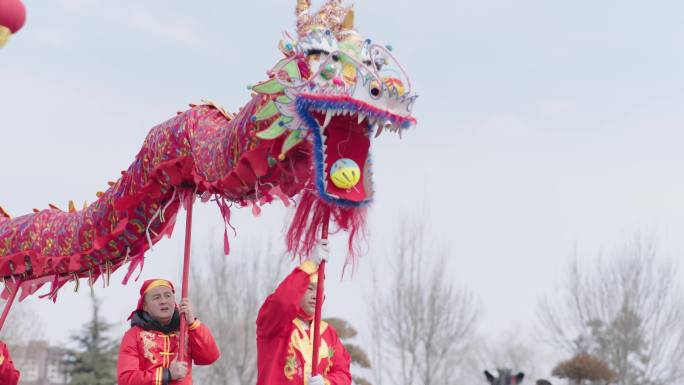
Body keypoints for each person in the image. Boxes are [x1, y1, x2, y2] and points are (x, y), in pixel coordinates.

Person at [256, 240, 351, 385]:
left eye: (319, 290)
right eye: (310, 288)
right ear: (299, 288)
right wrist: (309, 265)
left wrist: (327, 383)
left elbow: (344, 374)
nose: (316, 295)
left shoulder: (329, 333)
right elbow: (282, 301)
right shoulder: (276, 324)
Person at [117, 278, 219, 385]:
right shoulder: (133, 335)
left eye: (168, 296)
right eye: (156, 298)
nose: (163, 301)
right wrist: (167, 374)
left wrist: (192, 323)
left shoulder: (186, 330)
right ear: (145, 306)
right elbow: (125, 380)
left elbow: (209, 357)